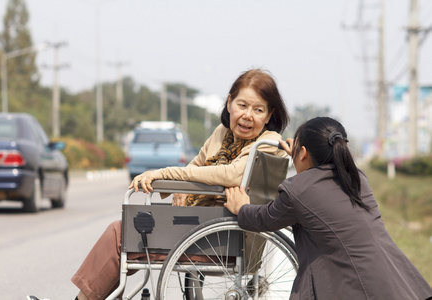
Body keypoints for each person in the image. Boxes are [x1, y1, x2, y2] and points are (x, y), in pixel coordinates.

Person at [27, 69, 289, 300]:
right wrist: (179, 188)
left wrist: (166, 175)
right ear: (230, 103)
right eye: (242, 105)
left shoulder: (269, 143)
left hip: (223, 235)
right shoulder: (221, 134)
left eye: (258, 110)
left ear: (269, 115)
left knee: (121, 233)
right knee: (125, 230)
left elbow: (231, 175)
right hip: (204, 224)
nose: (248, 115)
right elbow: (196, 167)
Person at [224, 117, 432, 300]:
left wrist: (241, 207)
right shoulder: (356, 176)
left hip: (357, 287)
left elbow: (265, 219)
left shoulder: (299, 189)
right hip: (394, 278)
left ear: (303, 152)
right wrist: (300, 154)